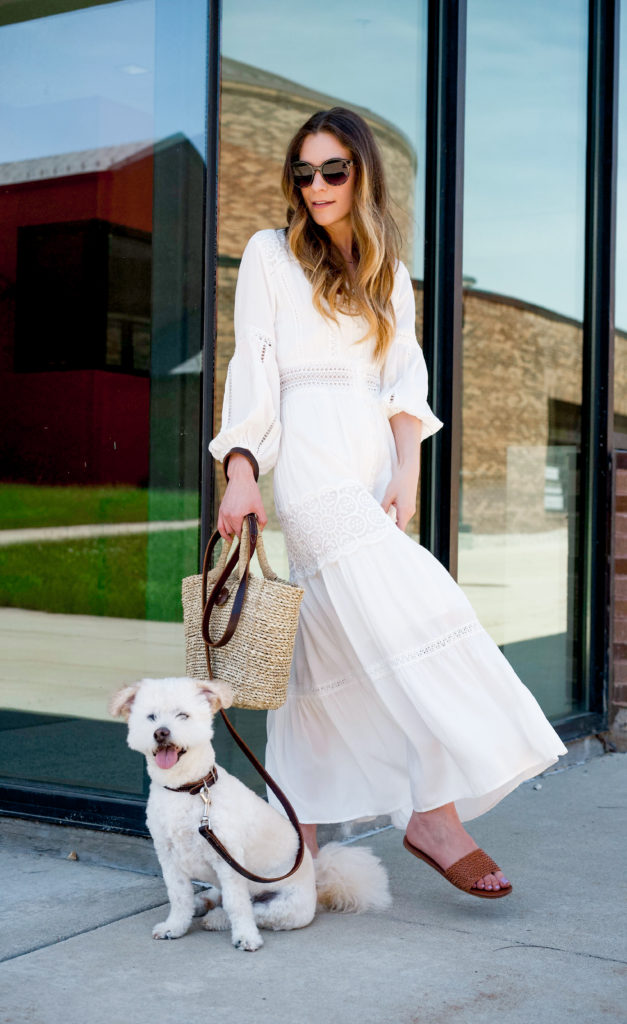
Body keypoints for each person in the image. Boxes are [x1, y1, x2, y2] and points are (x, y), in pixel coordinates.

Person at [209, 106, 566, 899]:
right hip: (306, 465)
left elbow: (404, 382)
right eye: (303, 173)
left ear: (362, 174)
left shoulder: (387, 272)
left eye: (333, 170)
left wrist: (406, 467)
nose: (316, 187)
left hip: (369, 467)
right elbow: (253, 367)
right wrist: (240, 468)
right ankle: (433, 816)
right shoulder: (271, 253)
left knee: (321, 661)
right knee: (414, 613)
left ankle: (289, 851)